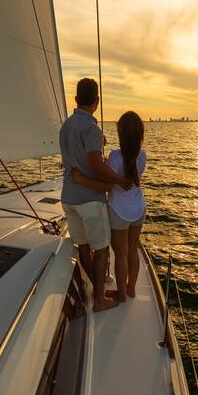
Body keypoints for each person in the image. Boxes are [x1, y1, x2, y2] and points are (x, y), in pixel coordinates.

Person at [59, 78, 132, 313]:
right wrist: (119, 180)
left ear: (76, 99)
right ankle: (99, 300)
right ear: (97, 102)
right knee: (101, 248)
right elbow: (94, 163)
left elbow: (79, 155)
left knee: (83, 245)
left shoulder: (66, 126)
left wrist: (96, 143)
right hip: (89, 199)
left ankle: (95, 288)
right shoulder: (91, 128)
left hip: (69, 196)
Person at [71, 111, 146, 303]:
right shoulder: (143, 156)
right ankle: (130, 289)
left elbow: (108, 183)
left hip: (119, 211)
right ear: (140, 135)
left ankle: (120, 294)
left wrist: (81, 179)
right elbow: (127, 172)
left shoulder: (115, 156)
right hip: (138, 208)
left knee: (120, 253)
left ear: (121, 134)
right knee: (133, 250)